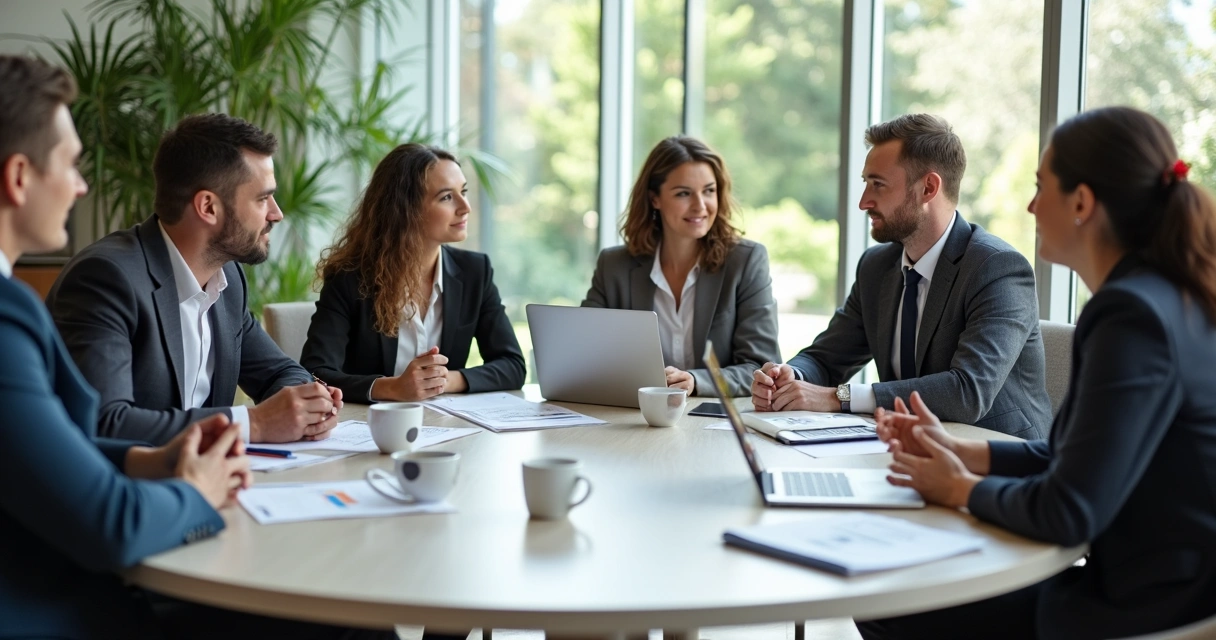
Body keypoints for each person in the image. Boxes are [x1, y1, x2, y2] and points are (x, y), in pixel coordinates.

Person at [0, 54, 399, 640]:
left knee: (353, 606)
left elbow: (57, 447)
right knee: (350, 618)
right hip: (74, 596)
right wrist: (203, 481)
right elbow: (104, 473)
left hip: (113, 547)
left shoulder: (228, 281)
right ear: (17, 178)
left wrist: (301, 400)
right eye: (70, 164)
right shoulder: (85, 286)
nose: (83, 185)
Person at [859, 107, 1216, 639]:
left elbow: (1068, 509)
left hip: (1146, 608)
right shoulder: (1168, 295)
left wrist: (957, 487)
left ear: (1081, 202)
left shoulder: (1130, 316)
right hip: (1173, 588)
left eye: (1039, 186)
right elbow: (1076, 458)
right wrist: (963, 451)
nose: (1029, 206)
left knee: (889, 601)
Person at [47, 113, 342, 446]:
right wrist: (253, 424)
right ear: (208, 207)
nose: (276, 213)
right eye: (262, 198)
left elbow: (279, 373)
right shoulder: (106, 279)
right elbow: (105, 422)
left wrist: (306, 403)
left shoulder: (227, 279)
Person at [751, 114, 1050, 438]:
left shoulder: (997, 268)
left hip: (1001, 461)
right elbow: (826, 359)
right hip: (904, 451)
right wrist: (790, 377)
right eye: (865, 182)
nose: (864, 201)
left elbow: (968, 392)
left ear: (928, 188)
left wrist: (840, 398)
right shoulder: (876, 267)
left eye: (878, 184)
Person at [301, 143, 525, 402]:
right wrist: (392, 388)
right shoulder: (349, 277)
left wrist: (445, 380)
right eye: (446, 197)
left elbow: (512, 365)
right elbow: (315, 372)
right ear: (406, 210)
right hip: (368, 428)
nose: (465, 207)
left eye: (463, 191)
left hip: (446, 426)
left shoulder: (475, 272)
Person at [581, 136, 780, 396]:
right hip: (637, 419)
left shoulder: (746, 261)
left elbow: (760, 367)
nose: (700, 206)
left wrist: (695, 381)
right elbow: (584, 353)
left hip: (716, 424)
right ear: (655, 199)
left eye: (709, 191)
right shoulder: (614, 266)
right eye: (683, 193)